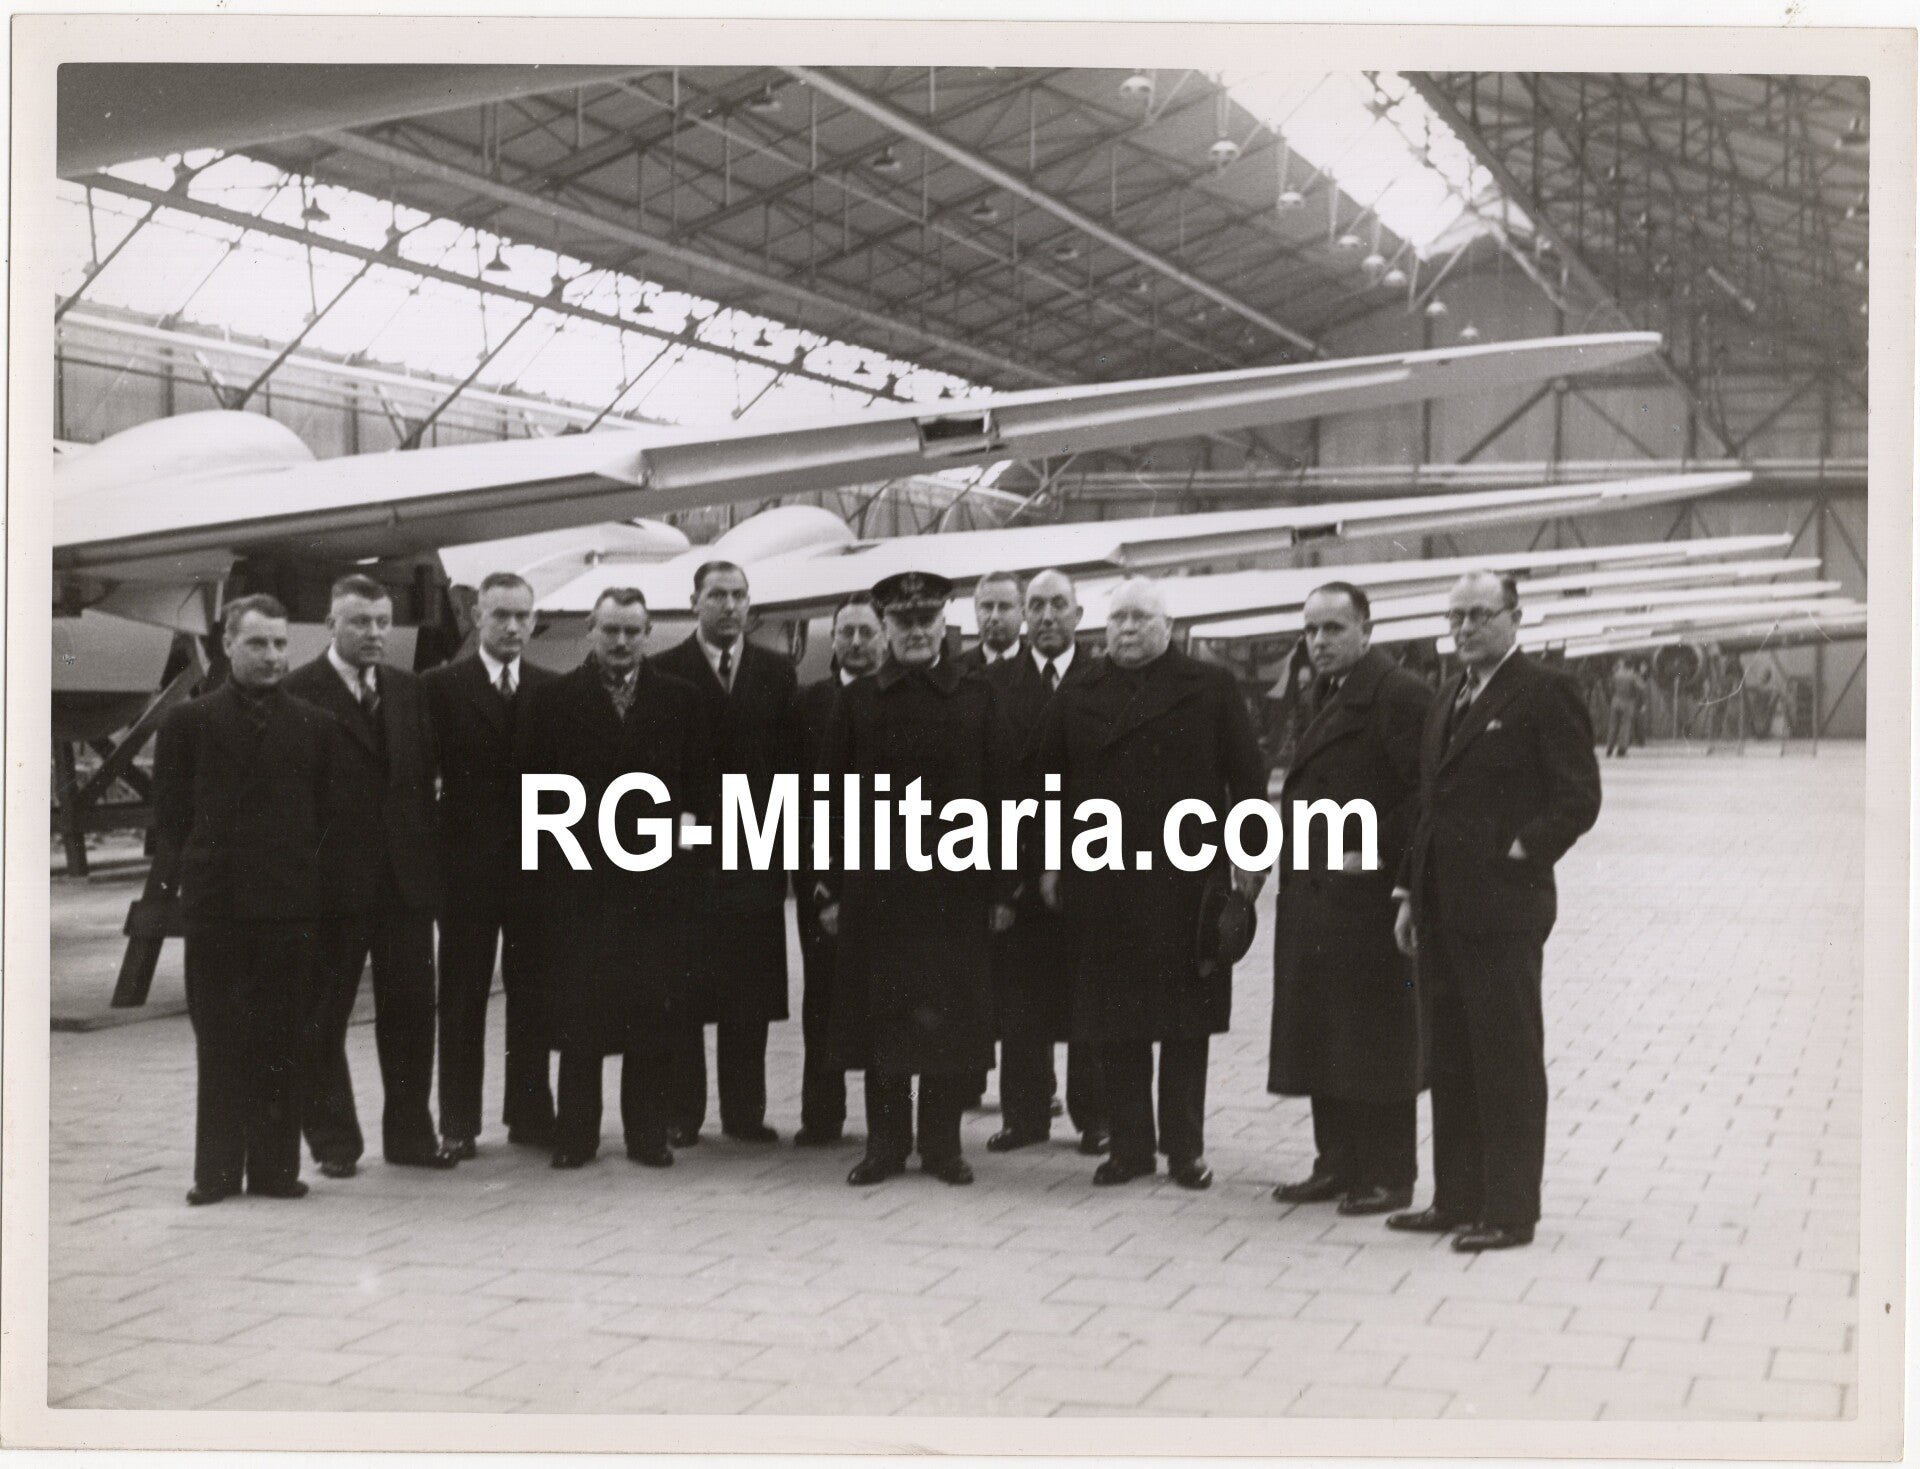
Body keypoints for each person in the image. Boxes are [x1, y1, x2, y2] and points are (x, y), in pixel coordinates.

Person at [1389, 571, 1602, 1252]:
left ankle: (1510, 1210)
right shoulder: (1449, 694)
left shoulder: (1544, 691)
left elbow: (1578, 797)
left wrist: (1520, 849)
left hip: (1504, 907)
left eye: (1480, 614)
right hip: (1441, 905)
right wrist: (1406, 891)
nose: (1464, 627)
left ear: (1514, 616)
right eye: (1455, 616)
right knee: (1450, 1054)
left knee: (1505, 1057)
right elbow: (1429, 802)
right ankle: (1456, 1198)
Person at [1032, 577, 1267, 1191]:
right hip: (1103, 879)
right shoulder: (1080, 689)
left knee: (1186, 1025)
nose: (1127, 629)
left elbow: (1248, 778)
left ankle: (1184, 1150)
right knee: (1117, 1023)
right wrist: (1053, 860)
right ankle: (1130, 1148)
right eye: (1117, 620)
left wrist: (1251, 864)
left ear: (1168, 626)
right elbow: (1046, 782)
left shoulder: (1209, 687)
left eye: (1140, 618)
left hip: (1187, 884)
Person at [817, 571, 1014, 1187]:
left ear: (944, 624)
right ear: (886, 629)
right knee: (885, 1021)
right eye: (903, 623)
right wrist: (827, 886)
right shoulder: (856, 702)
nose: (916, 632)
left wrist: (1005, 886)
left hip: (955, 891)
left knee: (949, 1022)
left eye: (927, 621)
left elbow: (1006, 796)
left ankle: (942, 1147)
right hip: (879, 892)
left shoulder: (978, 697)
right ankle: (885, 1146)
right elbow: (828, 797)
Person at [514, 588, 711, 1169]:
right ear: (589, 631)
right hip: (580, 887)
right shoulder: (551, 702)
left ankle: (646, 1134)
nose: (621, 642)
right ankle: (576, 1135)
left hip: (657, 887)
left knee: (652, 1014)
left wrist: (690, 867)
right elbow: (534, 799)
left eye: (632, 631)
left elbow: (700, 796)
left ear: (648, 633)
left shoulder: (681, 700)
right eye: (610, 630)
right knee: (580, 1015)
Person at [153, 596, 335, 1205]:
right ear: (227, 643)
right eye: (258, 643)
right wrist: (207, 868)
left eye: (281, 643)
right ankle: (217, 1172)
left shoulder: (314, 724)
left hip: (288, 908)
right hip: (219, 909)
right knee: (222, 1039)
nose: (273, 655)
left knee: (282, 1038)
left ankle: (276, 1170)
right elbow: (173, 817)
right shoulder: (189, 724)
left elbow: (327, 818)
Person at [1268, 583, 1432, 1216]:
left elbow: (1426, 792)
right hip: (1318, 896)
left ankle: (1391, 1175)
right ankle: (1335, 1163)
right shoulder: (1329, 692)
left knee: (1376, 1039)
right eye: (1311, 630)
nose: (1320, 641)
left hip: (1364, 899)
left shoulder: (1399, 697)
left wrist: (1371, 850)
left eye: (1334, 629)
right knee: (1325, 1033)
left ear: (1367, 629)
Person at [284, 574, 453, 1176]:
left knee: (411, 1013)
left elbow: (421, 782)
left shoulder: (409, 691)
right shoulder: (297, 692)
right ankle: (333, 1143)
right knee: (323, 1016)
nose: (375, 633)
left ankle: (411, 1136)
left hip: (405, 886)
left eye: (383, 622)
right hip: (334, 889)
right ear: (331, 625)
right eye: (360, 622)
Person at [656, 562, 799, 1146]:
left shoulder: (776, 672)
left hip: (756, 852)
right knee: (683, 997)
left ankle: (744, 1113)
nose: (729, 606)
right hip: (690, 856)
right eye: (717, 595)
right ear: (695, 602)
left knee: (749, 995)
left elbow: (790, 767)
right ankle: (681, 1115)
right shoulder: (664, 671)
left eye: (739, 595)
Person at [422, 571, 556, 1157]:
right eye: (500, 615)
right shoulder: (441, 688)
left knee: (533, 995)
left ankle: (529, 1115)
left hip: (534, 873)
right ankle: (458, 1123)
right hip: (466, 873)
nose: (511, 627)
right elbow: (423, 783)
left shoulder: (551, 690)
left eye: (522, 616)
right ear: (477, 617)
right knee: (461, 999)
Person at [982, 569, 1108, 1158]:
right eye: (1038, 605)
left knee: (1090, 994)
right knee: (1021, 997)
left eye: (1061, 604)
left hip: (1089, 861)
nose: (1048, 615)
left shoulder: (1105, 680)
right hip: (1019, 864)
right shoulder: (991, 683)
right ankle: (1025, 1114)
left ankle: (1096, 1116)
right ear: (1024, 616)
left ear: (1080, 615)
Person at [789, 594, 885, 1147]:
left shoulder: (901, 697)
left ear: (884, 637)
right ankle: (822, 1115)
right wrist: (818, 875)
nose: (855, 641)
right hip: (822, 875)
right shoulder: (809, 704)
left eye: (865, 631)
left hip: (886, 876)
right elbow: (799, 793)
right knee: (821, 995)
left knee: (887, 998)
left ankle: (890, 1123)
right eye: (845, 631)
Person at [956, 570, 1024, 672]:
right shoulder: (954, 671)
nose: (994, 617)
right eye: (987, 607)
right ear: (976, 611)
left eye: (1004, 607)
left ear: (1022, 613)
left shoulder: (1042, 667)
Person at [1605, 658, 1646, 758]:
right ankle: (1621, 750)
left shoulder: (1616, 674)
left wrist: (1613, 698)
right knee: (1625, 726)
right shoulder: (1633, 676)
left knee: (1613, 726)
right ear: (1631, 667)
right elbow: (1641, 688)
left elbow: (1610, 687)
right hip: (1627, 701)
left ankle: (1609, 749)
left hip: (1615, 701)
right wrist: (1640, 702)